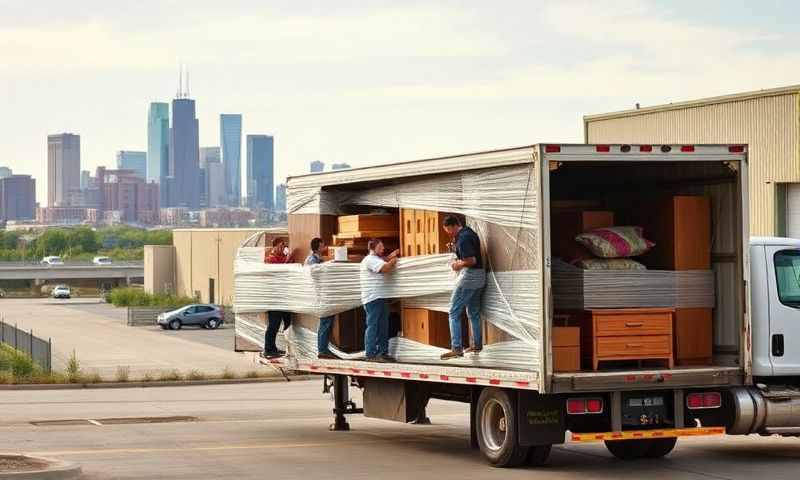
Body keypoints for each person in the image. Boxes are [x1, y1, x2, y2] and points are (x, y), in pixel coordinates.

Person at [440, 215, 485, 360]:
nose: (449, 233)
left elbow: (471, 260)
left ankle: (456, 348)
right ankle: (477, 344)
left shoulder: (463, 238)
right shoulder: (468, 233)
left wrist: (457, 264)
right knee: (473, 311)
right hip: (480, 277)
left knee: (453, 312)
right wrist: (455, 248)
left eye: (449, 230)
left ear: (454, 226)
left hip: (469, 277)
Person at [360, 238, 400, 362]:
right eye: (381, 247)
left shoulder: (376, 259)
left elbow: (383, 262)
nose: (383, 249)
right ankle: (371, 354)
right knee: (373, 326)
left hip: (380, 297)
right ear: (374, 248)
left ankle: (383, 352)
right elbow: (385, 268)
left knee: (383, 326)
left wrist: (390, 257)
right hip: (373, 298)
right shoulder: (369, 260)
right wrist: (395, 260)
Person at [305, 237, 336, 360]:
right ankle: (322, 350)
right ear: (318, 247)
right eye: (323, 245)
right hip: (321, 296)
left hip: (322, 295)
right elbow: (316, 275)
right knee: (326, 321)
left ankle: (323, 348)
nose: (325, 247)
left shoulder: (316, 259)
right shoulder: (313, 260)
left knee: (327, 321)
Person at [262, 238, 293, 359]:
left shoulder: (283, 258)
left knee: (288, 323)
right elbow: (279, 271)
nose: (282, 248)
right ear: (274, 246)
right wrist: (288, 260)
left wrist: (289, 260)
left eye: (283, 246)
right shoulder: (270, 259)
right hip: (274, 298)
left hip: (285, 297)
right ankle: (268, 349)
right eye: (280, 246)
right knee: (274, 324)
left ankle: (280, 348)